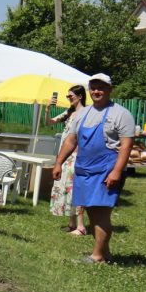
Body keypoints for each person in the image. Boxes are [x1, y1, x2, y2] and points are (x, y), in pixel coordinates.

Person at [52, 73, 136, 264]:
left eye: (101, 88)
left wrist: (116, 171)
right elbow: (71, 140)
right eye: (93, 88)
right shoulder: (83, 113)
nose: (97, 91)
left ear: (110, 89)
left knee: (101, 212)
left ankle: (97, 256)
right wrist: (59, 163)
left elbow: (126, 145)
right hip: (84, 169)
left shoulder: (121, 114)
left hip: (107, 170)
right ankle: (105, 254)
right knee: (91, 211)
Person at [49, 85, 88, 234]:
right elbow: (50, 122)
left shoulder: (85, 113)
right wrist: (47, 109)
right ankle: (72, 223)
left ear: (80, 96)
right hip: (65, 154)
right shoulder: (69, 112)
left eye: (71, 96)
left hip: (76, 155)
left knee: (75, 187)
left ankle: (81, 226)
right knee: (66, 187)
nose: (69, 98)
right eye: (68, 96)